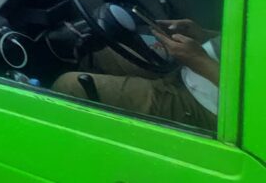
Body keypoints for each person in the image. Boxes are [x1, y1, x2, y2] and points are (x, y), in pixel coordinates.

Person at [52, 18, 220, 131]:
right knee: (102, 52)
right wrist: (204, 37)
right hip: (190, 69)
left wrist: (199, 59)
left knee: (69, 85)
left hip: (203, 103)